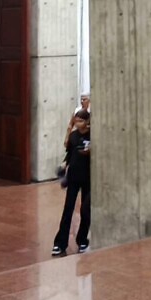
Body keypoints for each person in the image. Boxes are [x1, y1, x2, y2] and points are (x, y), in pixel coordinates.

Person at [53, 107, 91, 258]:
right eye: (76, 120)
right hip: (74, 176)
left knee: (85, 210)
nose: (78, 123)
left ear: (87, 121)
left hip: (88, 177)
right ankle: (60, 243)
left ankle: (82, 240)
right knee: (68, 209)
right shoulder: (74, 136)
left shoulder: (93, 135)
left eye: (81, 120)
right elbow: (69, 153)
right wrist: (65, 166)